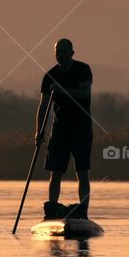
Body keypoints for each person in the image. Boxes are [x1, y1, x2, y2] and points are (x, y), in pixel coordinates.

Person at [34, 38, 92, 220]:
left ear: (72, 53)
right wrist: (39, 132)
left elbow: (84, 93)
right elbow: (43, 106)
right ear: (55, 54)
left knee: (82, 172)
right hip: (59, 130)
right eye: (59, 52)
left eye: (65, 52)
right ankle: (52, 210)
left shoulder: (83, 70)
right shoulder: (49, 76)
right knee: (55, 172)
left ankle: (83, 212)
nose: (62, 55)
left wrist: (61, 90)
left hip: (81, 129)